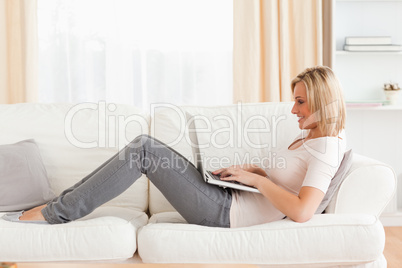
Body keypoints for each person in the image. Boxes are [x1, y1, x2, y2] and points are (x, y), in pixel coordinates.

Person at [3, 65, 346, 228]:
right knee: (143, 146)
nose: (293, 110)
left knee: (144, 149)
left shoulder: (327, 146)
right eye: (294, 100)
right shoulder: (310, 136)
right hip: (231, 197)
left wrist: (259, 181)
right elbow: (288, 183)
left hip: (227, 212)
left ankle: (55, 213)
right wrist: (252, 173)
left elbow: (302, 211)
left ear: (320, 100)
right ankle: (57, 205)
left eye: (301, 102)